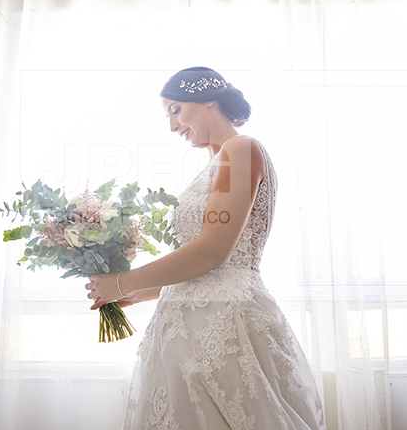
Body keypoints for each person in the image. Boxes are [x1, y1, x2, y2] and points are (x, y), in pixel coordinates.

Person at [85, 67, 326, 430]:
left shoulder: (240, 149)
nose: (172, 125)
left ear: (208, 100)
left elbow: (214, 251)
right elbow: (204, 267)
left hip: (227, 324)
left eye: (176, 110)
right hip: (187, 328)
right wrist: (138, 292)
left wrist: (122, 281)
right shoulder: (215, 163)